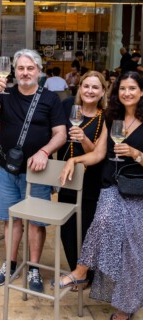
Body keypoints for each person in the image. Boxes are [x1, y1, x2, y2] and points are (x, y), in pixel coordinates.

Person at [0, 48, 67, 293]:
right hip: (9, 168)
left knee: (36, 223)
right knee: (11, 219)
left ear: (39, 71)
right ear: (14, 71)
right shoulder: (5, 94)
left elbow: (60, 134)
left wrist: (44, 152)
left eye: (30, 68)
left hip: (38, 171)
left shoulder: (50, 99)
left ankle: (34, 268)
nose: (25, 72)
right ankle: (10, 264)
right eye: (21, 68)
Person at [58, 71, 143, 320]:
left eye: (132, 88)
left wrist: (136, 154)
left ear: (142, 92)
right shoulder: (112, 116)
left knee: (132, 247)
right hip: (112, 185)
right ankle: (81, 270)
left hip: (138, 190)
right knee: (103, 219)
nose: (127, 93)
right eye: (123, 88)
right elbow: (98, 154)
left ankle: (125, 307)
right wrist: (74, 160)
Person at [57, 71, 107, 286]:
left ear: (103, 92)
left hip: (91, 179)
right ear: (80, 88)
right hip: (67, 177)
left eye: (95, 87)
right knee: (67, 229)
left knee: (87, 229)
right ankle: (76, 272)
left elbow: (99, 154)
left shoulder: (105, 117)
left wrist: (84, 139)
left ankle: (88, 274)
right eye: (86, 86)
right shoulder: (67, 106)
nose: (90, 91)